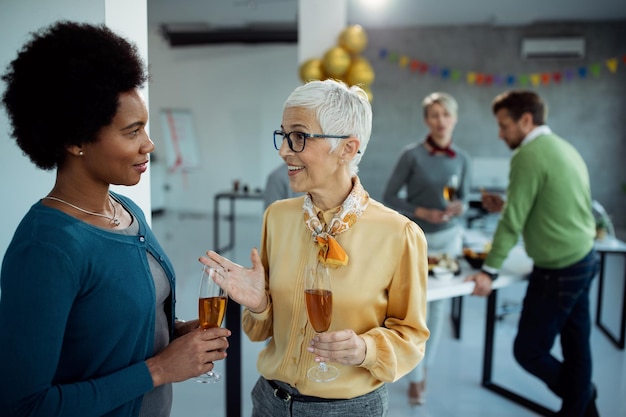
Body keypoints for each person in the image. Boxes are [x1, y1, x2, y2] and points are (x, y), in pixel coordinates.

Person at [0, 21, 230, 417]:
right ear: (74, 140)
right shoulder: (48, 248)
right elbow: (23, 405)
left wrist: (174, 335)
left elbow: (106, 329)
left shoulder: (126, 211)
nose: (149, 144)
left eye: (146, 127)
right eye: (131, 132)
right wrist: (159, 369)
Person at [200, 79, 429, 417]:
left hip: (349, 409)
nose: (283, 150)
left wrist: (364, 349)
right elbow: (258, 331)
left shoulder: (399, 233)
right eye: (284, 135)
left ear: (347, 149)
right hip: (269, 400)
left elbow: (411, 337)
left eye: (299, 137)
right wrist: (261, 304)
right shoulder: (276, 218)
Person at [466, 90, 599, 417]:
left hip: (560, 268)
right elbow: (550, 203)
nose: (500, 134)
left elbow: (513, 223)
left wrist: (489, 270)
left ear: (526, 119)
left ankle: (582, 394)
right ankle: (582, 401)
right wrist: (508, 204)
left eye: (504, 125)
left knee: (528, 350)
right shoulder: (563, 147)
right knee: (576, 347)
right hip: (584, 258)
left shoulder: (528, 155)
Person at [382, 91, 471, 405]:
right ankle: (414, 372)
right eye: (434, 115)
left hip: (450, 239)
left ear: (454, 119)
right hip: (417, 238)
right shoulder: (411, 155)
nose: (440, 121)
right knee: (414, 307)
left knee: (439, 309)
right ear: (426, 120)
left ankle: (424, 371)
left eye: (446, 115)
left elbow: (464, 197)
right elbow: (390, 196)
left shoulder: (462, 158)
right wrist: (421, 212)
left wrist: (458, 207)